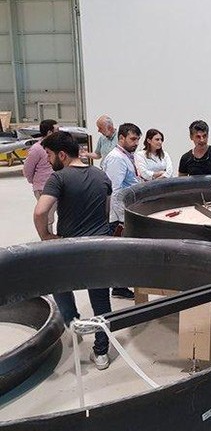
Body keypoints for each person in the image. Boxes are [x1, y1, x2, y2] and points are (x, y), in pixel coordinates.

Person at [33, 131, 113, 370]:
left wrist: (46, 236)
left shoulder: (58, 178)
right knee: (101, 299)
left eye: (49, 155)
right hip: (99, 246)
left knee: (60, 286)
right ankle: (101, 352)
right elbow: (106, 211)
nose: (48, 160)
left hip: (69, 248)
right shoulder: (101, 175)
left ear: (62, 155)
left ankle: (73, 324)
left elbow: (40, 211)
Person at [102, 123, 142, 300]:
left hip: (125, 212)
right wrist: (122, 219)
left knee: (123, 251)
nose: (136, 143)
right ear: (121, 138)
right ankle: (119, 287)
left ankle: (120, 285)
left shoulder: (126, 156)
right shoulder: (116, 159)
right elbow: (115, 191)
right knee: (119, 253)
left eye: (138, 140)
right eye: (133, 139)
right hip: (118, 216)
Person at [23, 119, 59, 233]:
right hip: (44, 187)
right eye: (57, 130)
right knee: (48, 218)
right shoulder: (37, 148)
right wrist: (35, 182)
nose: (59, 132)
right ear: (49, 132)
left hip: (59, 184)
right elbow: (27, 169)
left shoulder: (58, 146)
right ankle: (48, 240)